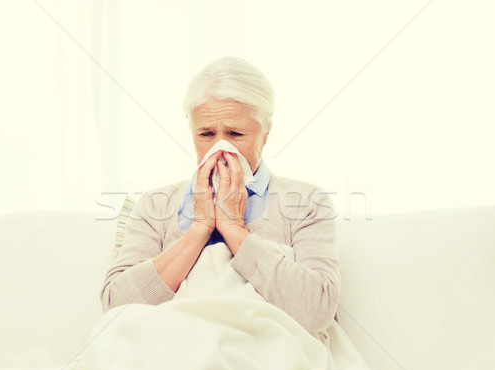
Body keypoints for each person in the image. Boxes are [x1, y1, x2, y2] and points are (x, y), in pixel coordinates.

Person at [100, 56, 340, 334]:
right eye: (206, 134)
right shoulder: (156, 205)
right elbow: (117, 308)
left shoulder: (307, 202)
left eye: (236, 133)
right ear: (191, 131)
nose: (221, 148)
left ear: (266, 134)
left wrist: (234, 228)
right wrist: (199, 228)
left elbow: (316, 312)